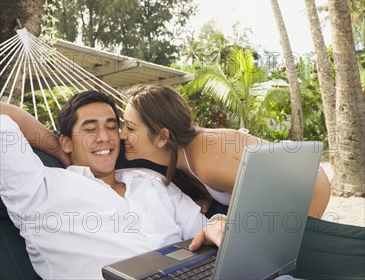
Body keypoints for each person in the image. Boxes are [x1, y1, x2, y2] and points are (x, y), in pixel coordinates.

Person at [0, 92, 225, 280]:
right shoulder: (39, 188)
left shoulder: (149, 180)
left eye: (111, 127)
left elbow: (203, 228)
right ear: (67, 141)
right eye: (90, 130)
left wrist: (218, 223)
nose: (104, 137)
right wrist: (58, 151)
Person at [121, 84, 331, 218]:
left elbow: (267, 209)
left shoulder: (206, 159)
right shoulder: (184, 156)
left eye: (130, 128)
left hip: (307, 187)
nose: (121, 135)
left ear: (162, 137)